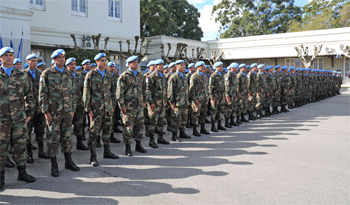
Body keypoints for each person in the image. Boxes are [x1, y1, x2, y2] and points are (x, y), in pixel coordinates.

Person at [39, 49, 80, 177]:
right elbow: (42, 94)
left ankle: (68, 161)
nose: (62, 59)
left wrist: (72, 109)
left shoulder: (69, 74)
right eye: (59, 57)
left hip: (67, 111)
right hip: (53, 112)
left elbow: (73, 93)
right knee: (53, 138)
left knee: (67, 137)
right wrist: (46, 112)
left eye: (63, 57)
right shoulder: (47, 73)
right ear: (54, 59)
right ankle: (54, 164)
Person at [0, 47, 36, 191]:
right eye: (6, 55)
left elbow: (30, 95)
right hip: (1, 120)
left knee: (20, 146)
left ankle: (22, 173)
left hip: (19, 118)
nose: (9, 57)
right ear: (0, 59)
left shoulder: (22, 75)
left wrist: (29, 113)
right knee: (1, 148)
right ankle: (1, 177)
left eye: (11, 55)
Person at [83, 53, 119, 166]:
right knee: (94, 132)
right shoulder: (90, 75)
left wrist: (112, 105)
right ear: (97, 62)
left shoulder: (109, 75)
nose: (104, 62)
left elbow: (113, 92)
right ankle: (93, 156)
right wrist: (88, 108)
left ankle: (107, 151)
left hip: (107, 108)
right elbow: (86, 93)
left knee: (108, 129)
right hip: (96, 108)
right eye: (102, 60)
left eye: (105, 60)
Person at [116, 56, 147, 156]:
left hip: (139, 106)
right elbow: (119, 93)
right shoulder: (124, 76)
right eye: (134, 62)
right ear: (128, 64)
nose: (136, 64)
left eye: (137, 62)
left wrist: (145, 101)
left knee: (140, 126)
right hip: (128, 107)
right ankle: (128, 147)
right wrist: (122, 105)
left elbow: (144, 90)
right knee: (128, 127)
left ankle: (138, 144)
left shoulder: (140, 76)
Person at [23, 54, 50, 163]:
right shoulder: (23, 74)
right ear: (27, 62)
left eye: (36, 61)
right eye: (32, 61)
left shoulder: (41, 74)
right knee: (27, 132)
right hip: (27, 108)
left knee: (40, 130)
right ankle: (29, 153)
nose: (34, 63)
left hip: (39, 108)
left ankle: (41, 151)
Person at [145, 59, 170, 148]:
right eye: (160, 65)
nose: (162, 66)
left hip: (162, 103)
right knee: (153, 122)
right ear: (156, 66)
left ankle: (160, 138)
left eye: (162, 64)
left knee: (161, 121)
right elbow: (148, 91)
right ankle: (151, 140)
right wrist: (150, 102)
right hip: (154, 104)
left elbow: (165, 89)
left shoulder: (163, 76)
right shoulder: (151, 76)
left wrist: (166, 100)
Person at [65, 58, 89, 151]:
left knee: (79, 124)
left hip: (79, 104)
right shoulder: (64, 76)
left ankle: (79, 143)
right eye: (71, 64)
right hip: (67, 104)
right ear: (66, 66)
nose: (73, 66)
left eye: (74, 64)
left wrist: (84, 102)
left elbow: (84, 90)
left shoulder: (80, 76)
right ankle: (67, 145)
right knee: (67, 125)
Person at [167, 60, 191, 141]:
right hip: (177, 102)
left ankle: (182, 133)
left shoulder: (184, 76)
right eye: (181, 65)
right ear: (177, 66)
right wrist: (172, 102)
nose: (183, 66)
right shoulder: (173, 77)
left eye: (183, 65)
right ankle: (174, 135)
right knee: (176, 119)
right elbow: (170, 91)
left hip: (184, 102)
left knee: (184, 118)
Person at [189, 61, 210, 136]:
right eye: (201, 66)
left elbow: (206, 87)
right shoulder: (194, 76)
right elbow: (191, 89)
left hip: (204, 98)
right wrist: (194, 99)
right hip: (197, 99)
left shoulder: (204, 75)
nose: (203, 67)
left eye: (203, 66)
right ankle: (194, 130)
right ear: (197, 67)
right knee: (195, 114)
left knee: (203, 114)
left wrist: (207, 96)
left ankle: (202, 128)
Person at [209, 61, 226, 132]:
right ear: (216, 67)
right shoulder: (213, 75)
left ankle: (219, 125)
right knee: (214, 111)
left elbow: (223, 86)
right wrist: (212, 97)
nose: (222, 68)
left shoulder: (222, 74)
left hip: (221, 96)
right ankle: (213, 126)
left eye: (222, 66)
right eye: (220, 67)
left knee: (220, 110)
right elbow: (210, 87)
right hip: (215, 97)